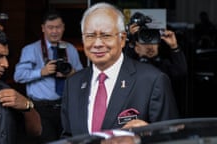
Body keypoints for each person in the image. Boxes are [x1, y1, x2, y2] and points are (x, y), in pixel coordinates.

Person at [60, 2, 179, 138]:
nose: (97, 44)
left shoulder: (152, 81)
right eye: (90, 36)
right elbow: (68, 137)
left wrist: (147, 136)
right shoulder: (73, 84)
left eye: (105, 35)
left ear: (122, 39)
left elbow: (171, 138)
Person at [14, 10, 83, 143]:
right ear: (43, 28)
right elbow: (18, 76)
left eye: (58, 27)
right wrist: (42, 72)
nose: (54, 31)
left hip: (66, 106)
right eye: (50, 27)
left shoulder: (71, 49)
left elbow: (82, 76)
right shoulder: (31, 50)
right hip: (41, 108)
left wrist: (71, 73)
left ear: (63, 27)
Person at [0, 25, 41, 144]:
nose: (6, 64)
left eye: (6, 57)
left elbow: (36, 132)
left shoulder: (7, 90)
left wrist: (27, 106)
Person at [124, 21, 188, 117]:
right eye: (144, 41)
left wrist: (174, 46)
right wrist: (129, 40)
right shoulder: (129, 66)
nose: (150, 46)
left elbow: (181, 71)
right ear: (136, 47)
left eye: (153, 41)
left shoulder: (163, 65)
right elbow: (123, 69)